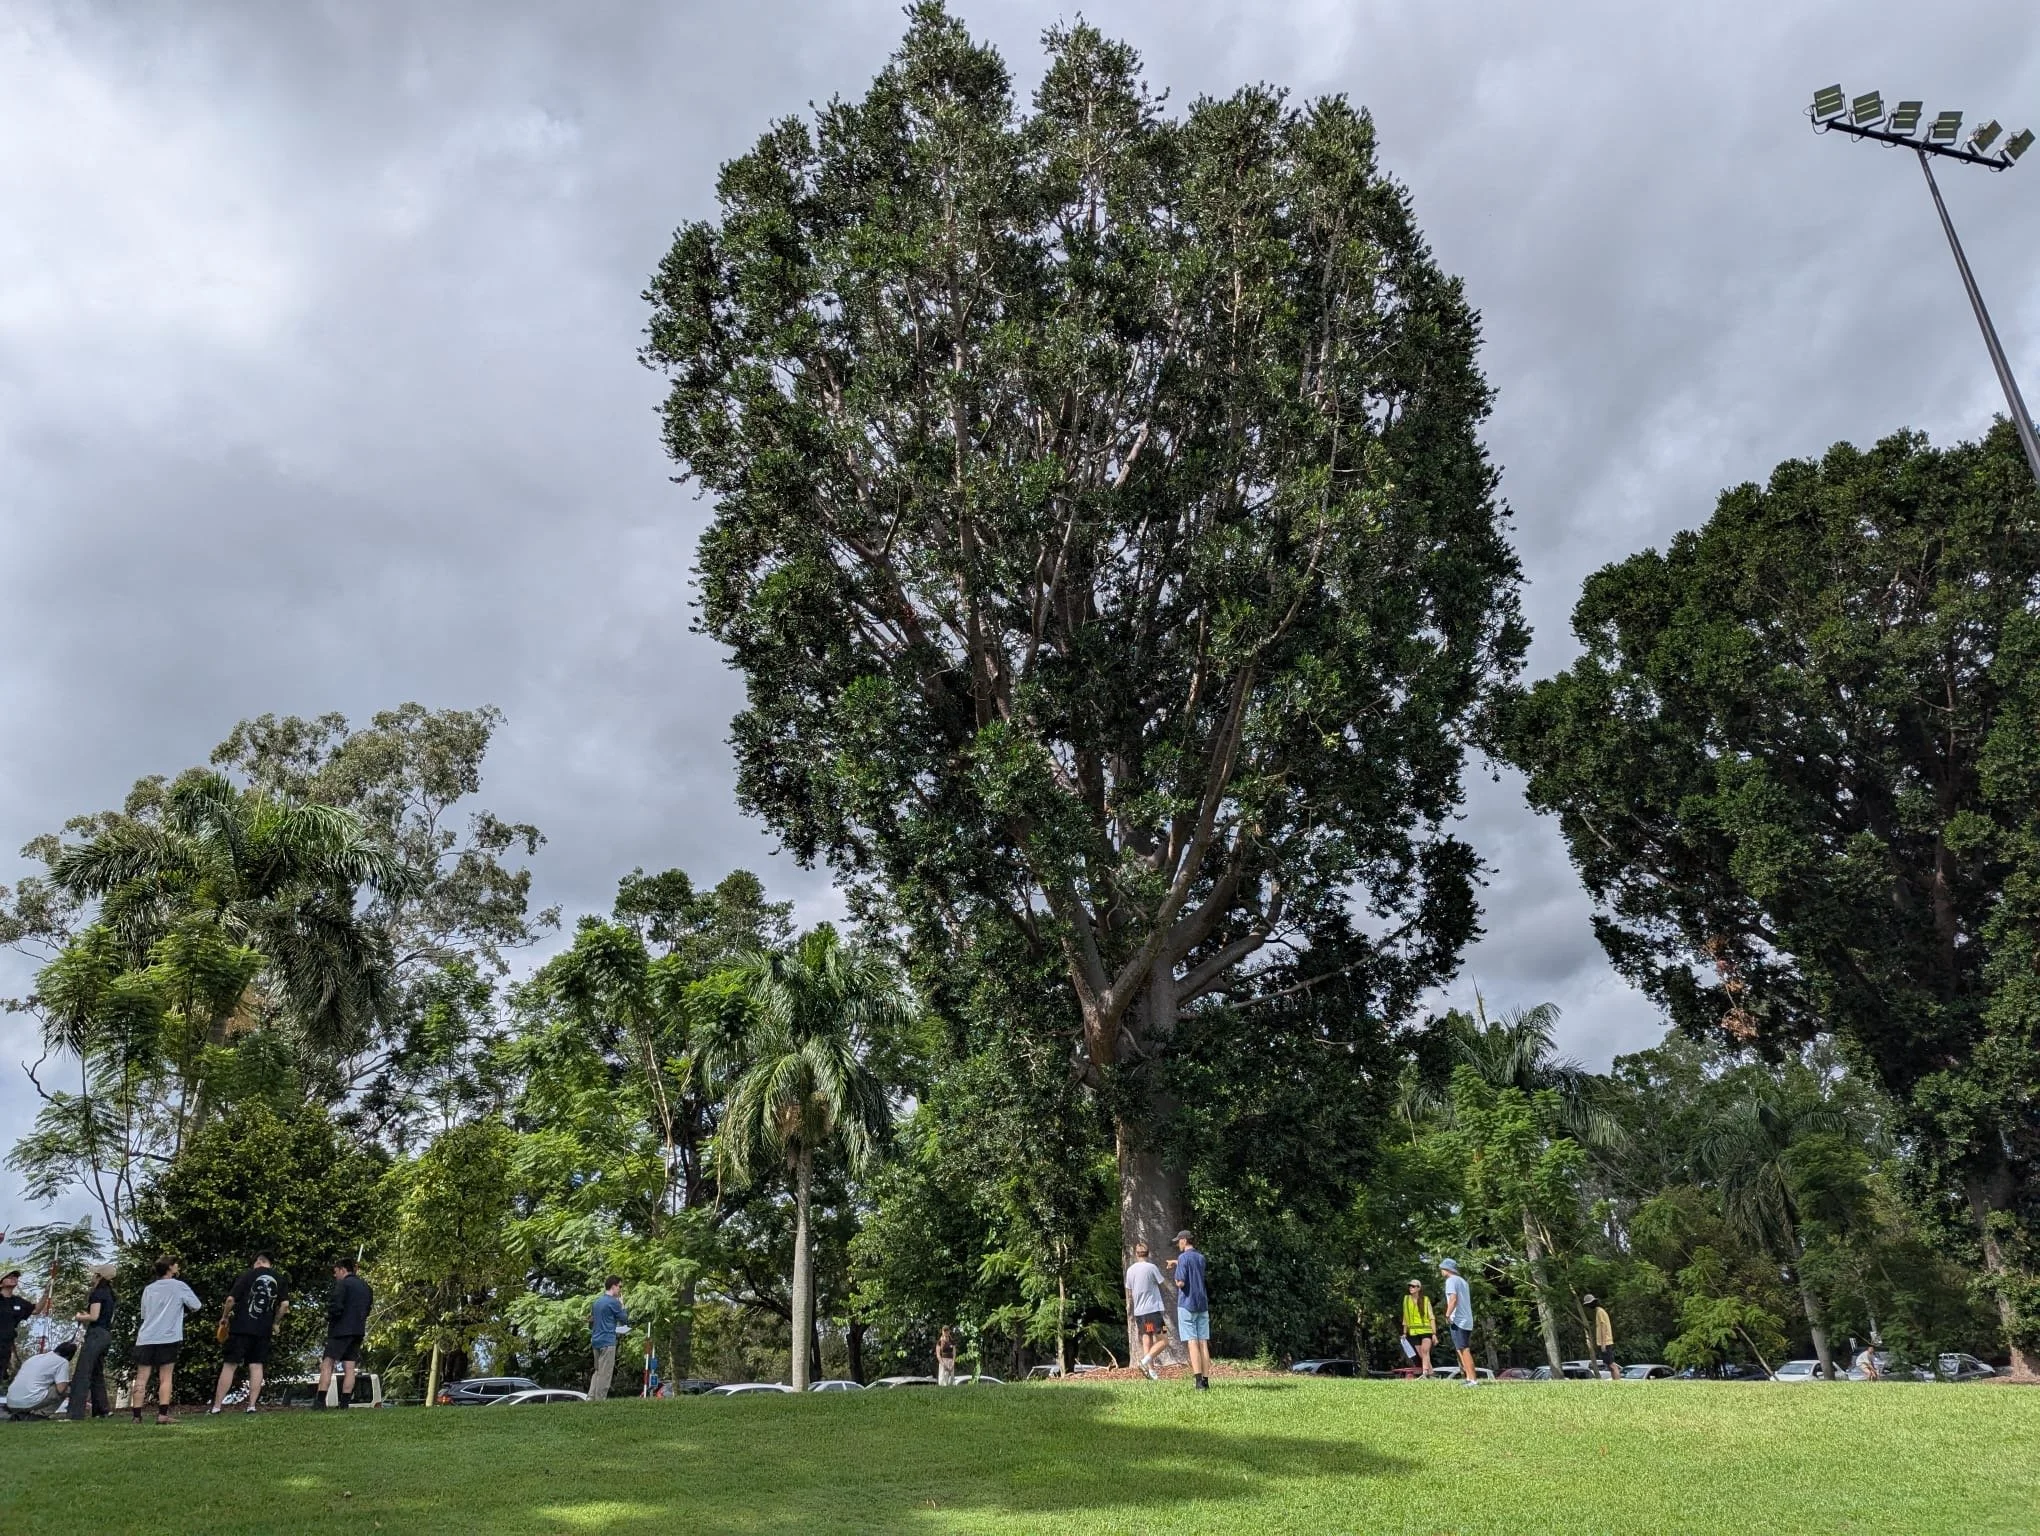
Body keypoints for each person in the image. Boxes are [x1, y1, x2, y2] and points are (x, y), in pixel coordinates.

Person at [213, 1252, 289, 1415]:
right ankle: (252, 1406)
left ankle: (217, 1407)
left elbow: (230, 1300)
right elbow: (284, 1305)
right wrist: (275, 1323)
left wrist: (224, 1317)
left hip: (241, 1327)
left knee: (230, 1364)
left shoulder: (247, 1276)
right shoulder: (279, 1279)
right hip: (263, 1329)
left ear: (258, 1262)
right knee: (256, 1365)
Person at [132, 1257, 201, 1425]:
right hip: (168, 1336)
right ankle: (162, 1414)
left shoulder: (149, 1289)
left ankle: (136, 1416)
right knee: (166, 1376)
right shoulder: (179, 1286)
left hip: (146, 1337)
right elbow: (196, 1305)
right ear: (170, 1268)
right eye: (175, 1264)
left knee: (141, 1377)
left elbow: (144, 1313)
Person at [315, 1258, 374, 1409]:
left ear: (342, 1270)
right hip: (358, 1329)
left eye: (335, 1272)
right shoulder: (365, 1287)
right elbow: (367, 1309)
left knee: (327, 1363)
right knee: (349, 1366)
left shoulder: (343, 1284)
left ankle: (320, 1401)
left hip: (340, 1330)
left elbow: (336, 1306)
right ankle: (345, 1402)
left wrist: (328, 1317)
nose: (335, 1276)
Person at [67, 1260, 118, 1420]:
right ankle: (102, 1409)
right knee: (96, 1372)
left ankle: (75, 1413)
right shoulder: (110, 1294)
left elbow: (94, 1316)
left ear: (98, 1276)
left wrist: (80, 1316)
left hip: (95, 1334)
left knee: (83, 1372)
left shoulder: (97, 1293)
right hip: (106, 1334)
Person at [1169, 1231, 1211, 1391]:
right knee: (1203, 1342)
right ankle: (1206, 1381)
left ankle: (1198, 1381)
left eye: (1178, 1241)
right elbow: (1194, 1271)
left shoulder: (1183, 1258)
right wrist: (1177, 1263)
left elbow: (1180, 1282)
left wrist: (1176, 1272)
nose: (1178, 1244)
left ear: (1184, 1240)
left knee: (1192, 1341)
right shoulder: (1201, 1258)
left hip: (1187, 1304)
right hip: (1202, 1304)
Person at [1124, 1241, 1169, 1381]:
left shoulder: (1130, 1270)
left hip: (1140, 1313)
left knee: (1147, 1339)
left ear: (1135, 1254)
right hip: (1153, 1311)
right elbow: (1162, 1283)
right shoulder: (1152, 1267)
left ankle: (1151, 1371)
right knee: (1164, 1340)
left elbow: (1129, 1292)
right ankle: (1144, 1362)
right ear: (1148, 1253)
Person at [5, 1340, 75, 1419]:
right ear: (69, 1356)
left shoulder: (35, 1357)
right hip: (28, 1402)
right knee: (67, 1389)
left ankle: (21, 1415)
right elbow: (61, 1389)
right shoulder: (62, 1361)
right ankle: (39, 1415)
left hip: (11, 1402)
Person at [589, 1277, 629, 1401]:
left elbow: (591, 1323)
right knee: (605, 1373)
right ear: (613, 1286)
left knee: (597, 1371)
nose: (620, 1289)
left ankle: (591, 1398)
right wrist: (622, 1305)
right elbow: (624, 1319)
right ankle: (600, 1400)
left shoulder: (596, 1303)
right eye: (619, 1286)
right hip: (608, 1342)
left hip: (596, 1340)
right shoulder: (614, 1302)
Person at [1440, 1258, 1477, 1385]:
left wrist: (1447, 1314)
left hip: (1459, 1320)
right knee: (1460, 1349)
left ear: (1448, 1269)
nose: (1441, 1271)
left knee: (1464, 1349)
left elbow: (1453, 1299)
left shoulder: (1451, 1280)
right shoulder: (1462, 1281)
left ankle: (1472, 1379)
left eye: (1442, 1268)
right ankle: (1468, 1377)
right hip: (1467, 1319)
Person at [0, 1270, 34, 1377]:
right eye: (9, 1277)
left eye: (15, 1277)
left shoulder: (18, 1301)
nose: (13, 1278)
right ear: (1, 1283)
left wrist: (47, 1293)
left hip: (5, 1347)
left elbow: (35, 1310)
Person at [1401, 1279, 1437, 1377]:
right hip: (1413, 1331)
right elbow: (1405, 1316)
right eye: (1410, 1286)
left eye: (1413, 1286)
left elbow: (1431, 1317)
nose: (1411, 1288)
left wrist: (1434, 1334)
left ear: (1419, 1288)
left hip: (1426, 1330)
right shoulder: (1406, 1299)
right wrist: (1404, 1332)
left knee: (1425, 1350)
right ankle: (1431, 1373)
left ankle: (1425, 1373)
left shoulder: (1425, 1300)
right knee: (1422, 1354)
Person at [1584, 1293, 1617, 1381]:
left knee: (1611, 1364)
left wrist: (1603, 1344)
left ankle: (1618, 1382)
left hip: (1605, 1342)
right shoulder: (1599, 1311)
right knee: (1609, 1364)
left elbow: (1603, 1327)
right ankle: (1615, 1382)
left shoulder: (1600, 1312)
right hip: (1604, 1342)